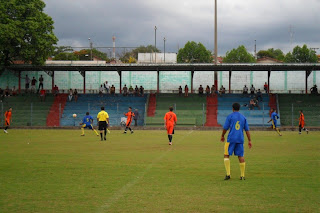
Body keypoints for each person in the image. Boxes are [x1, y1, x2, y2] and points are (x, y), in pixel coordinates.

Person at [220, 103, 252, 180]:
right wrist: (249, 140)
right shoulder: (243, 117)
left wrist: (222, 136)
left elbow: (225, 128)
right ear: (239, 109)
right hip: (240, 139)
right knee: (241, 156)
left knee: (226, 155)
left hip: (231, 139)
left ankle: (228, 174)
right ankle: (242, 176)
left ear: (232, 108)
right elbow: (247, 130)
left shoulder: (230, 116)